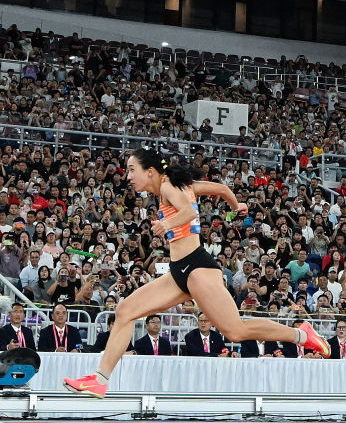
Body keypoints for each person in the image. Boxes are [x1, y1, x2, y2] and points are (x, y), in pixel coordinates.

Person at [64, 149, 330, 398]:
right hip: (179, 271)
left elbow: (189, 211)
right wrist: (236, 205)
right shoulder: (181, 185)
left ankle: (302, 335)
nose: (128, 176)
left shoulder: (167, 186)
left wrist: (167, 223)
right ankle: (100, 379)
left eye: (132, 169)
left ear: (150, 171)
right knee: (125, 311)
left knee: (236, 331)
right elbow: (222, 189)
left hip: (197, 268)